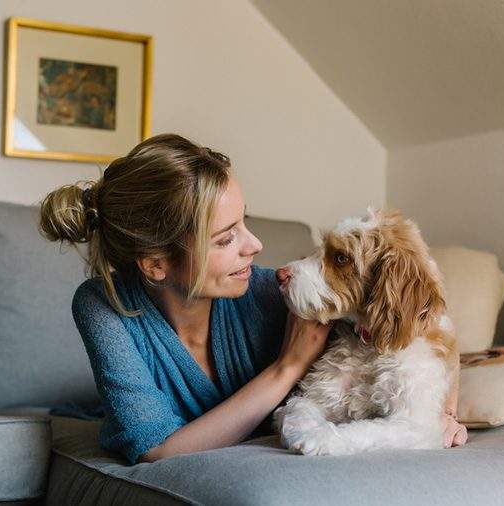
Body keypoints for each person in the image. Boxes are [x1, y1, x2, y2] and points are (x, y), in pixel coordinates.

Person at [39, 133, 333, 465]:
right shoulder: (102, 305)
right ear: (155, 264)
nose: (255, 245)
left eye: (244, 223)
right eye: (225, 239)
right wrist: (287, 367)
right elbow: (157, 450)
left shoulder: (274, 295)